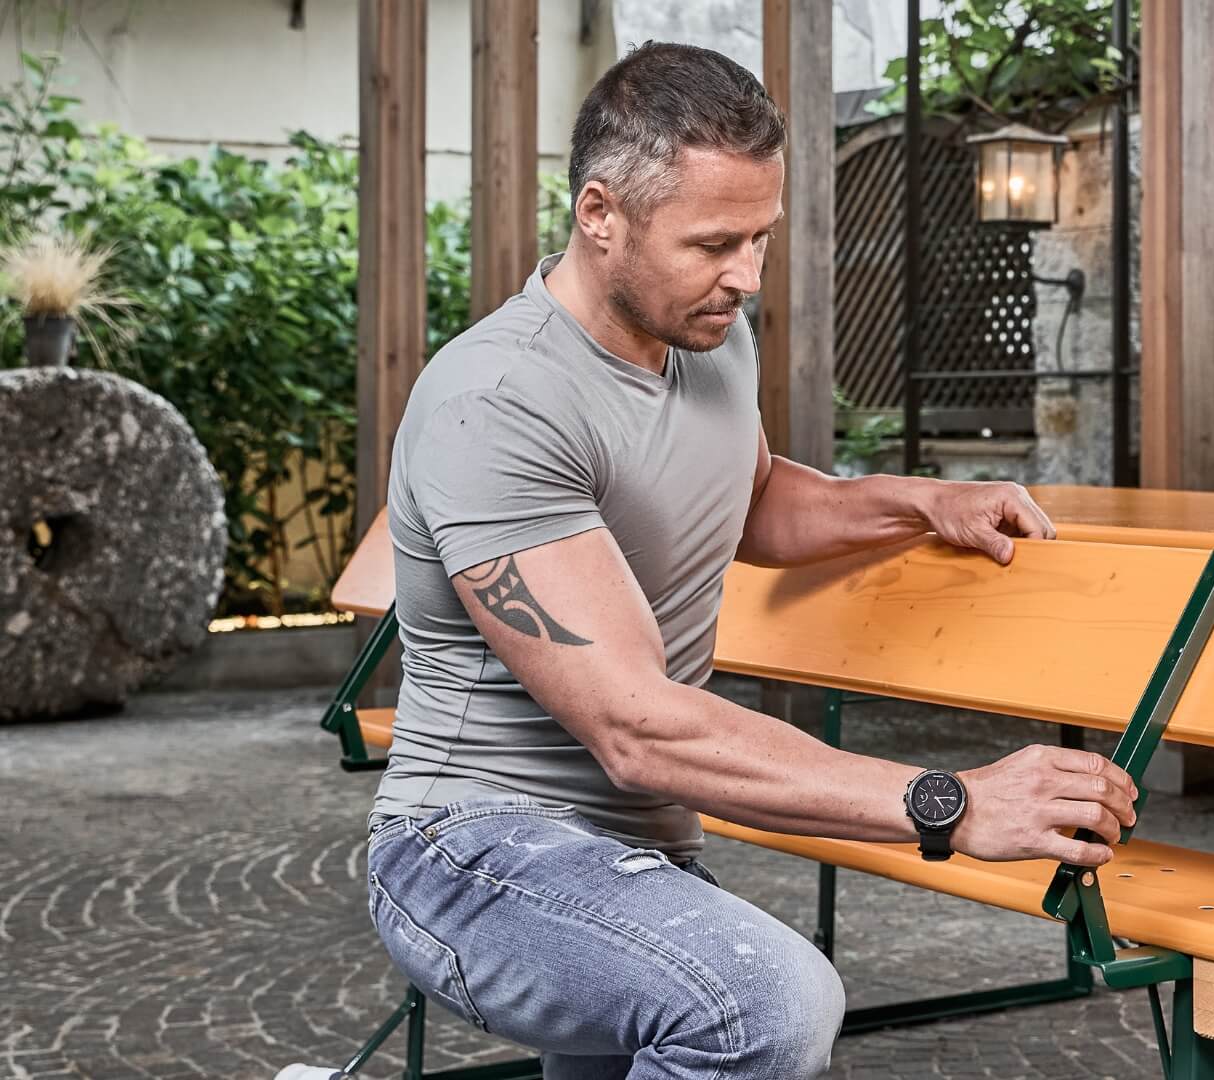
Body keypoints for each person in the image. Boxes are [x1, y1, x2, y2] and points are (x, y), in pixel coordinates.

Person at [279, 41, 1138, 1080]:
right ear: (600, 214)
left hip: (638, 853)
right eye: (713, 243)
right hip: (474, 850)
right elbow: (637, 726)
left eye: (761, 239)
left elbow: (753, 496)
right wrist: (947, 802)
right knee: (766, 1006)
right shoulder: (496, 403)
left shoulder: (707, 335)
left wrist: (918, 502)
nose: (745, 276)